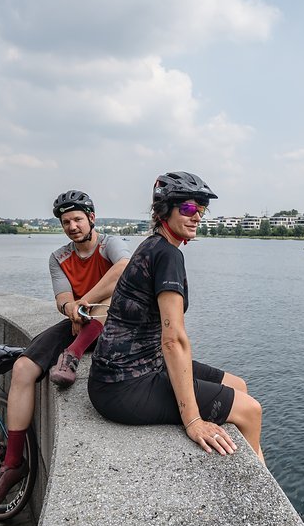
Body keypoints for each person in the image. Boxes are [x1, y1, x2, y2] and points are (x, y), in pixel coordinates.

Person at [88, 172, 264, 463]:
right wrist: (193, 420)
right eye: (187, 209)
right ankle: (262, 492)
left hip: (125, 373)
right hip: (125, 385)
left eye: (201, 210)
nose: (197, 217)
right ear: (163, 211)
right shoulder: (168, 255)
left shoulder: (153, 246)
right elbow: (174, 341)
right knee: (250, 410)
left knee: (238, 385)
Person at [0, 190, 131, 513]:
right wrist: (72, 307)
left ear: (92, 218)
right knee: (22, 368)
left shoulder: (110, 244)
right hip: (81, 322)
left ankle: (72, 355)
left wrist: (85, 300)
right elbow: (61, 298)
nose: (72, 226)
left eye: (77, 219)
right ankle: (13, 463)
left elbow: (125, 270)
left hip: (116, 325)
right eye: (65, 222)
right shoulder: (59, 257)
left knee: (109, 301)